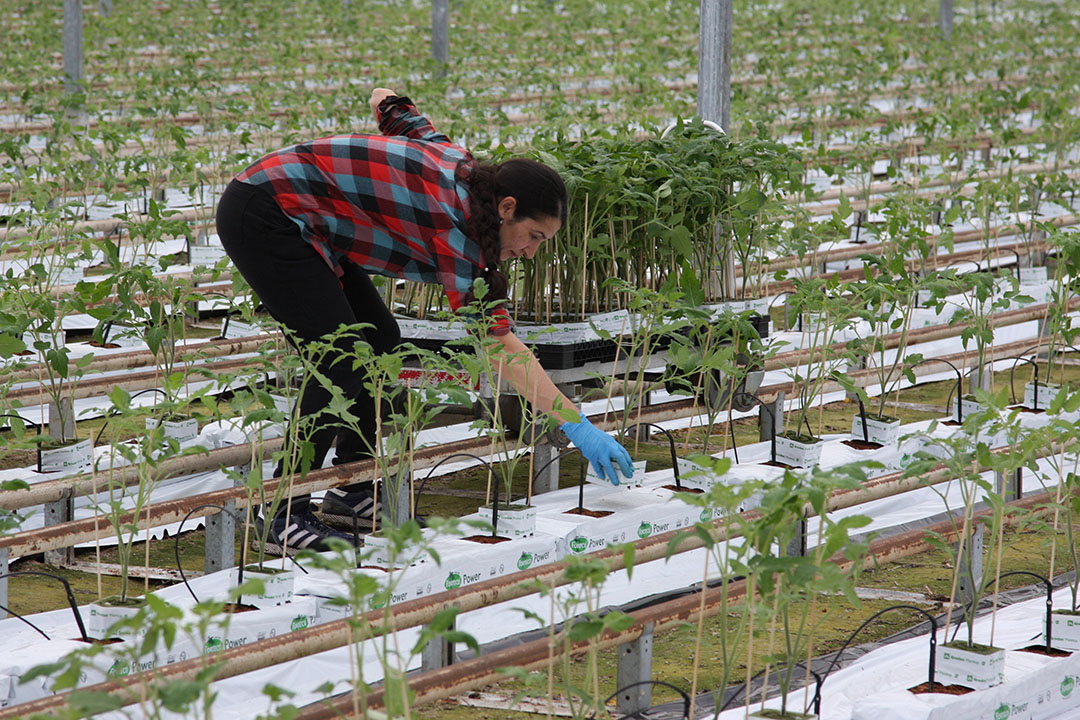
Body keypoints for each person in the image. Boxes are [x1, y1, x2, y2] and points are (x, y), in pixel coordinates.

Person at [215, 88, 634, 554]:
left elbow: (394, 110)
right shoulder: (457, 229)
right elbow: (497, 344)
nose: (530, 251)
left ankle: (351, 490)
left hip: (312, 223)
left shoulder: (463, 167)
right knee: (340, 357)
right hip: (266, 212)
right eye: (532, 236)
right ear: (507, 208)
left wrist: (391, 101)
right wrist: (576, 423)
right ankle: (283, 512)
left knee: (380, 339)